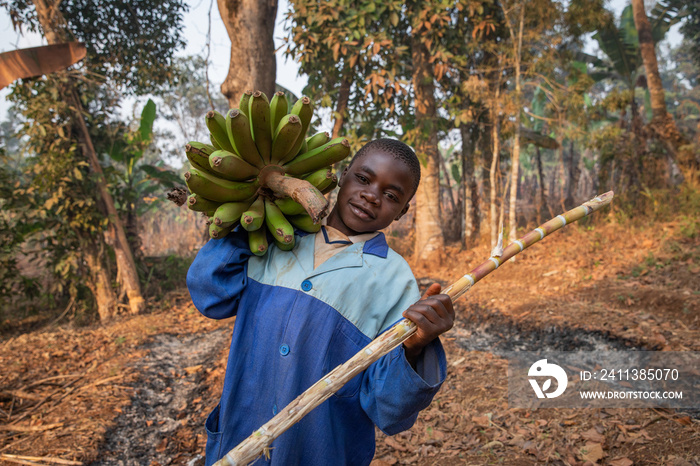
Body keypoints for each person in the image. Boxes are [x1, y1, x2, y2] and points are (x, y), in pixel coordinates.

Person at [187, 138, 455, 465]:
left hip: (321, 451)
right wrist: (247, 216)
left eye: (390, 195)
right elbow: (210, 295)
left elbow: (389, 409)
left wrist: (415, 346)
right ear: (342, 175)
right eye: (364, 179)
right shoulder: (275, 236)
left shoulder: (393, 281)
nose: (371, 195)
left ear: (403, 211)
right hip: (238, 437)